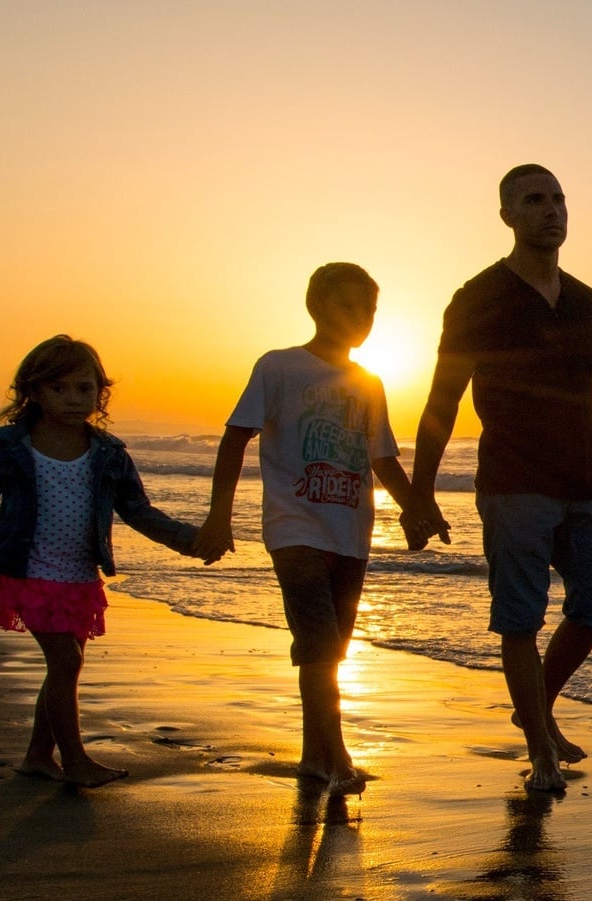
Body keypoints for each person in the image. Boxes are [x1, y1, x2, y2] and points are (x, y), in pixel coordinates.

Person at [405, 163, 592, 792]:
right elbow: (442, 399)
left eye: (559, 199)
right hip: (513, 484)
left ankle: (536, 707)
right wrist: (420, 492)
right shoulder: (477, 298)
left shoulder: (590, 303)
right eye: (535, 200)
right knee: (519, 620)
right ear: (507, 214)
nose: (551, 210)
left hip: (585, 483)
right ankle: (540, 753)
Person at [0, 335, 219, 788]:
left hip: (79, 577)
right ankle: (76, 759)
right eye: (60, 388)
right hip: (26, 572)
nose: (74, 399)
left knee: (67, 664)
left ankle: (38, 755)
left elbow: (138, 511)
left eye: (84, 388)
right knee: (65, 662)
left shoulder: (108, 453)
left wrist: (192, 541)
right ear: (34, 392)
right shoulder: (11, 448)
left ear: (100, 393)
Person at [197, 262, 423, 796]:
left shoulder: (370, 383)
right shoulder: (279, 367)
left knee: (331, 650)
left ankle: (312, 757)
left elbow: (382, 458)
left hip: (351, 531)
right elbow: (235, 438)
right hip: (294, 527)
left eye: (369, 309)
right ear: (317, 308)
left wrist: (416, 508)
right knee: (319, 643)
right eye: (348, 306)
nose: (361, 318)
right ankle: (339, 756)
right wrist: (218, 515)